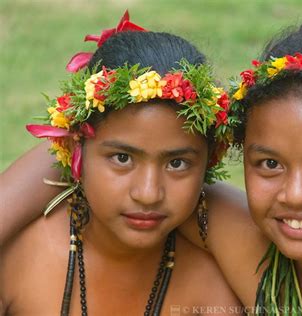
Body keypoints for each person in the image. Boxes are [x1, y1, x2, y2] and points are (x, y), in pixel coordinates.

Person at [2, 10, 302, 316]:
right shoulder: (231, 230)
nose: (295, 194)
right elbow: (113, 150)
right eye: (268, 164)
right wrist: (87, 135)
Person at [0, 12, 242, 315]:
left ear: (210, 160)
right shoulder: (18, 262)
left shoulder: (219, 286)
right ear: (76, 148)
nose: (148, 193)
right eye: (122, 158)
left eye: (177, 163)